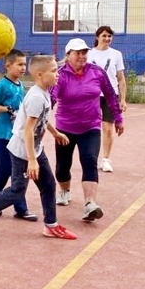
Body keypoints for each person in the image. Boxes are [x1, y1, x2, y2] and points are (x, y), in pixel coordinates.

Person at [0, 55, 77, 244]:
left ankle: (51, 225)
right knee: (17, 191)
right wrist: (31, 160)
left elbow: (42, 119)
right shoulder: (35, 97)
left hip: (35, 149)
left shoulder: (43, 93)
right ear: (40, 75)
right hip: (22, 150)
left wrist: (55, 133)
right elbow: (28, 130)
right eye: (53, 71)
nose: (57, 75)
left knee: (48, 185)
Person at [52, 38, 124, 222]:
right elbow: (51, 98)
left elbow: (109, 94)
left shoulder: (96, 72)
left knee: (90, 160)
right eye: (78, 53)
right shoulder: (60, 75)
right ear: (68, 55)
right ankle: (64, 191)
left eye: (84, 52)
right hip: (64, 129)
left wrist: (118, 118)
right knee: (62, 167)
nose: (82, 56)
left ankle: (90, 203)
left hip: (90, 127)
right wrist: (38, 121)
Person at [0, 49, 35, 221]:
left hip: (16, 135)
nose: (22, 68)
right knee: (4, 170)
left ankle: (20, 208)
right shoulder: (2, 85)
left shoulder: (20, 85)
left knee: (18, 173)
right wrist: (7, 109)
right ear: (8, 66)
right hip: (2, 134)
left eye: (24, 65)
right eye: (19, 64)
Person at [87, 26, 127, 173]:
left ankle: (106, 159)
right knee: (91, 128)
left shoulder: (116, 54)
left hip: (111, 95)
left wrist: (122, 99)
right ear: (97, 37)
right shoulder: (89, 54)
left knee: (108, 128)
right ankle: (91, 158)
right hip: (92, 95)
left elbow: (121, 79)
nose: (107, 39)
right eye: (104, 36)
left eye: (110, 36)